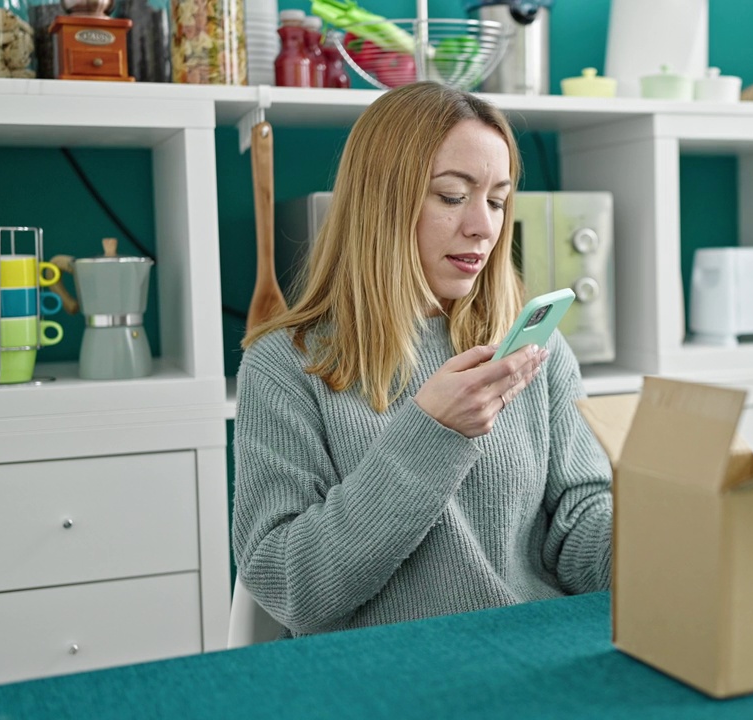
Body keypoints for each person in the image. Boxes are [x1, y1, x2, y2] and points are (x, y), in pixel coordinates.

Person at [233, 82, 613, 637]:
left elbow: (577, 530)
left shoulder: (537, 350)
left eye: (498, 200)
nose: (484, 226)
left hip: (534, 651)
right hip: (382, 675)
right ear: (381, 201)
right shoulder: (285, 368)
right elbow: (291, 586)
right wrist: (431, 432)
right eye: (453, 196)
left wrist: (664, 530)